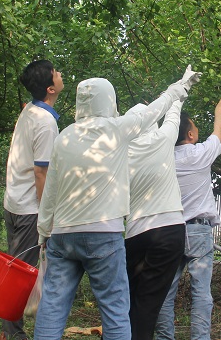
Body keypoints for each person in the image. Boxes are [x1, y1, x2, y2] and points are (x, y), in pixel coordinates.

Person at [35, 66, 201, 340]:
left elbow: (51, 191)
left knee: (52, 305)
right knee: (115, 310)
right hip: (102, 233)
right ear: (109, 101)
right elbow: (157, 109)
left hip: (62, 235)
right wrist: (180, 87)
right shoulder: (116, 130)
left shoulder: (64, 137)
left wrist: (44, 231)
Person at [1, 59, 64, 340]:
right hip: (29, 208)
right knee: (20, 273)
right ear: (50, 88)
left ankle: (12, 330)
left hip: (14, 201)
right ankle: (12, 333)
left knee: (17, 268)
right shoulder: (46, 123)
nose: (60, 74)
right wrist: (46, 215)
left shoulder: (29, 110)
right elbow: (42, 172)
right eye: (56, 73)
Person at [155, 98, 221, 340]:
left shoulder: (163, 159)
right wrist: (219, 111)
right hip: (198, 231)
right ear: (190, 134)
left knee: (165, 292)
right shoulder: (200, 154)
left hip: (170, 231)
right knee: (201, 293)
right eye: (195, 126)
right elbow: (218, 132)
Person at [124, 101, 186, 340]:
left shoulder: (122, 153)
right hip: (168, 230)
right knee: (149, 303)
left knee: (126, 298)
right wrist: (175, 95)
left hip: (135, 233)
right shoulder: (163, 139)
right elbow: (173, 115)